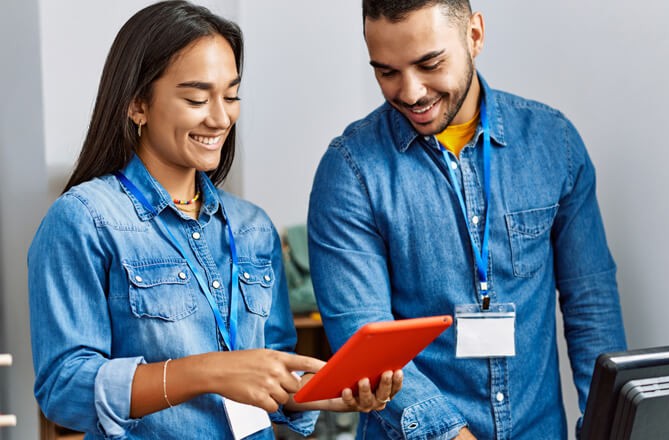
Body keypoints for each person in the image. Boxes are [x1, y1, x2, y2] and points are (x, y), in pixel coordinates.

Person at [28, 2, 401, 439]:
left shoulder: (252, 228)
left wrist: (324, 393)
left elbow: (272, 379)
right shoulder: (84, 219)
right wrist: (208, 371)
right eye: (196, 98)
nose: (221, 117)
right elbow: (64, 389)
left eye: (231, 95)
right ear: (137, 105)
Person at [307, 1, 627, 439]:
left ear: (474, 35)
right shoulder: (350, 170)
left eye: (430, 63)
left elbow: (592, 309)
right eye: (387, 72)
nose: (412, 92)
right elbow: (365, 334)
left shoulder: (555, 144)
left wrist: (608, 430)